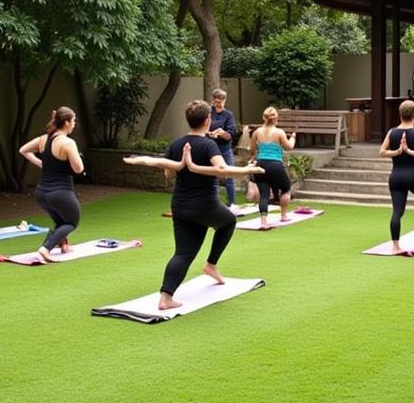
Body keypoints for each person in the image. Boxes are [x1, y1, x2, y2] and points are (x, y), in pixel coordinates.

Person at [123, 100, 262, 310]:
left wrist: (180, 166)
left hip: (181, 206)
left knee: (183, 253)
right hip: (205, 206)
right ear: (207, 121)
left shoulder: (177, 144)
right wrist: (250, 170)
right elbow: (222, 170)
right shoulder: (208, 144)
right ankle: (211, 264)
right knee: (228, 221)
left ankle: (166, 297)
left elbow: (169, 173)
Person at [19, 106, 84, 264]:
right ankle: (45, 249)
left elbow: (23, 150)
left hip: (42, 193)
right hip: (60, 192)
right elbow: (78, 168)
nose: (75, 124)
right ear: (67, 122)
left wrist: (43, 164)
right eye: (74, 121)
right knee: (71, 222)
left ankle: (63, 245)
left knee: (61, 221)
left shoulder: (43, 139)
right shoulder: (68, 143)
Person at [379, 99, 414, 253]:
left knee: (397, 211)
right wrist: (408, 151)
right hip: (413, 177)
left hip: (395, 177)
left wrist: (397, 151)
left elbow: (382, 152)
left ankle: (395, 246)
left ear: (400, 114)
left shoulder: (392, 132)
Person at [249, 107, 296, 229]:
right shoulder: (279, 132)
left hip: (261, 164)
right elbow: (288, 147)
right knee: (286, 188)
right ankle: (284, 215)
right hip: (275, 165)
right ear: (276, 118)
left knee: (264, 194)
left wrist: (253, 159)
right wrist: (293, 138)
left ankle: (264, 222)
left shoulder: (257, 132)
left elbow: (252, 150)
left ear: (264, 117)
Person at [208, 88, 240, 211]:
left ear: (225, 101)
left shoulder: (228, 115)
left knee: (229, 174)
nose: (219, 104)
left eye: (221, 101)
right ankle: (214, 203)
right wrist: (210, 133)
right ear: (213, 100)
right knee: (213, 176)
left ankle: (232, 203)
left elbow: (231, 135)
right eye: (216, 101)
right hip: (212, 147)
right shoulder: (209, 113)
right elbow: (203, 129)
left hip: (225, 148)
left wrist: (222, 133)